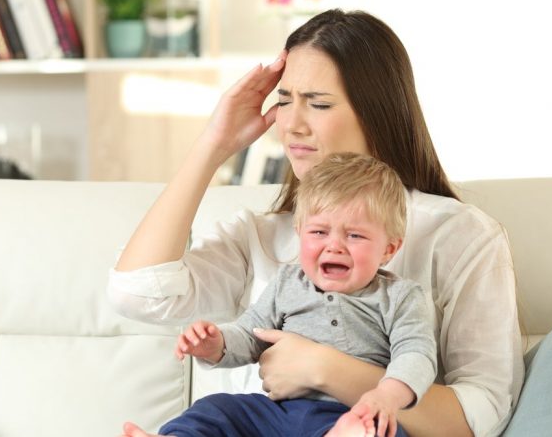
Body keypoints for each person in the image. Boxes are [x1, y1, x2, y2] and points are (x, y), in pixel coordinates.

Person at [108, 8, 523, 437]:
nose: (291, 123)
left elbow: (482, 415)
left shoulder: (459, 235)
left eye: (318, 103)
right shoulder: (260, 235)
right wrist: (214, 144)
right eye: (284, 100)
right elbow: (136, 295)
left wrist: (324, 368)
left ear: (376, 112)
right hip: (261, 423)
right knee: (212, 412)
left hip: (360, 424)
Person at [153, 153, 436, 437]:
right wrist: (216, 343)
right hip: (277, 414)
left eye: (355, 236)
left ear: (389, 249)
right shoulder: (287, 282)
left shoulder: (399, 296)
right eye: (319, 232)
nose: (334, 246)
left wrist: (386, 397)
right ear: (300, 233)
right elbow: (252, 333)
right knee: (215, 409)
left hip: (351, 411)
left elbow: (416, 355)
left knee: (381, 430)